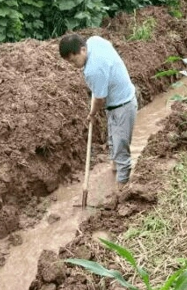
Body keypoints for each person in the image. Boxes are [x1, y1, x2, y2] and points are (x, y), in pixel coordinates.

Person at [59, 33, 138, 190]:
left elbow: (100, 98)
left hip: (122, 107)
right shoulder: (94, 41)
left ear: (82, 49)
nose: (73, 65)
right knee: (113, 142)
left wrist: (92, 114)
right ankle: (114, 171)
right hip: (120, 100)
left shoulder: (93, 70)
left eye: (74, 60)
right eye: (70, 62)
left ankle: (121, 192)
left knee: (121, 151)